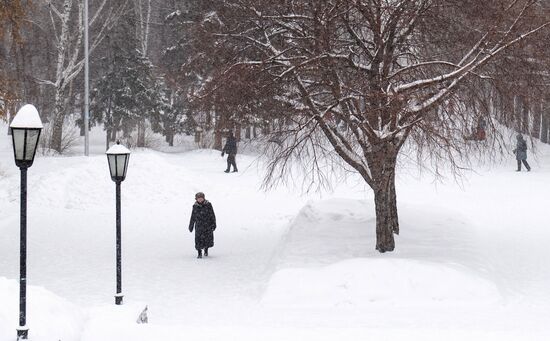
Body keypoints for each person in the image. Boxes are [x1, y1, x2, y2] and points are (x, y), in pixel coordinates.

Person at [188, 192, 216, 258]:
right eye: (198, 198)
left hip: (207, 225)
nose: (200, 199)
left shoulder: (208, 205)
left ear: (203, 198)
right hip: (199, 226)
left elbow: (212, 215)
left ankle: (206, 250)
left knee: (207, 239)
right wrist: (191, 225)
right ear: (196, 199)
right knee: (198, 240)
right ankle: (199, 253)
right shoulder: (195, 206)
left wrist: (213, 224)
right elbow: (193, 216)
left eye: (201, 198)